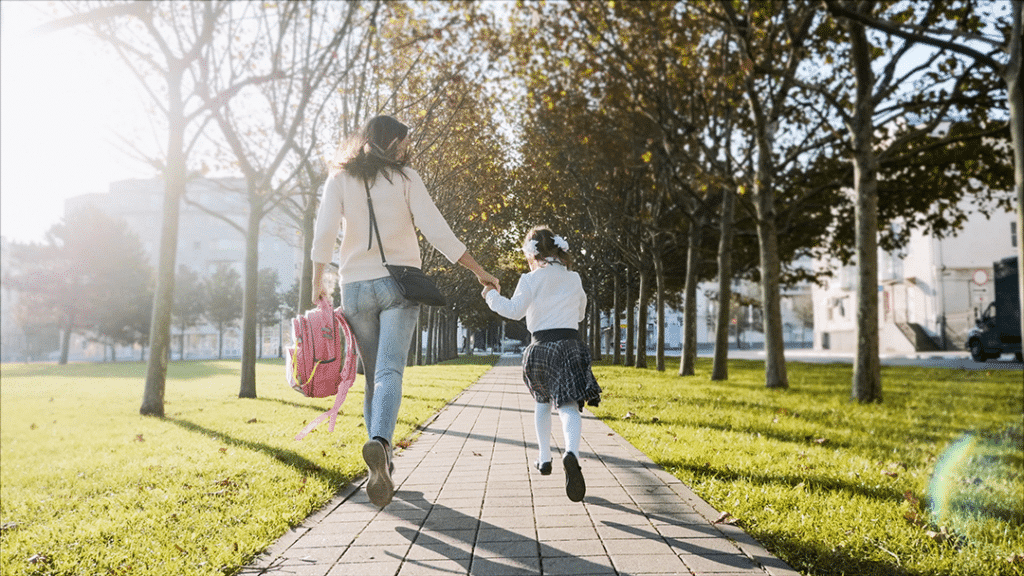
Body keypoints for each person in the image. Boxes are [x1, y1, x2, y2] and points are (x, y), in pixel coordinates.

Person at [311, 115, 499, 508]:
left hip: (355, 288)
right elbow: (437, 230)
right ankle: (380, 442)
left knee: (371, 379)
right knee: (388, 372)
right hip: (398, 286)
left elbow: (325, 232)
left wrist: (318, 282)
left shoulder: (340, 179)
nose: (403, 149)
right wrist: (479, 271)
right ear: (387, 142)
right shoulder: (406, 178)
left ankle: (382, 464)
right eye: (400, 142)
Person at [481, 226, 601, 502]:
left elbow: (514, 311)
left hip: (540, 348)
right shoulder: (574, 279)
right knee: (569, 405)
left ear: (532, 253)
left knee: (541, 402)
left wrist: (490, 296)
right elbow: (581, 314)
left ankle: (544, 458)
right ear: (559, 250)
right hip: (569, 345)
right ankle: (571, 453)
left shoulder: (530, 279)